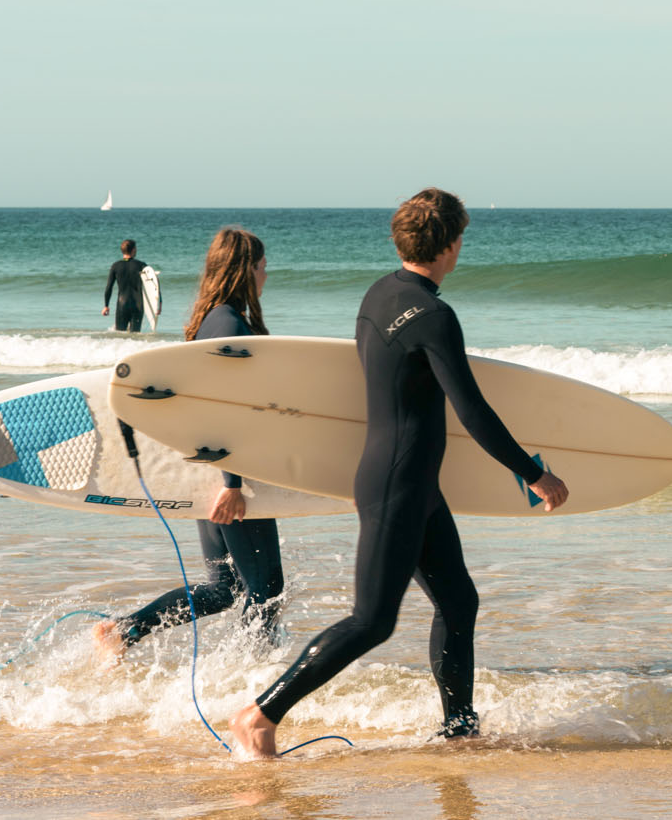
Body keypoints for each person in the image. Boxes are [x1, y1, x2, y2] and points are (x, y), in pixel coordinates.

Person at [227, 189, 568, 759]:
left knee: (459, 602)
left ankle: (460, 728)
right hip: (399, 485)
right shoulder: (435, 315)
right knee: (372, 621)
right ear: (452, 245)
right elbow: (472, 409)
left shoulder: (381, 293)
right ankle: (261, 714)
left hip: (408, 481)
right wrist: (531, 472)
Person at [93, 228, 284, 661]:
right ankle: (261, 682)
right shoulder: (230, 323)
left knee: (224, 590)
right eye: (262, 265)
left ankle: (123, 631)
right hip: (230, 473)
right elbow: (219, 410)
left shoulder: (211, 320)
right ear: (246, 269)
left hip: (210, 468)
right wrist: (233, 483)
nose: (266, 273)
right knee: (266, 590)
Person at [103, 239, 148, 332]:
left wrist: (106, 305)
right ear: (134, 250)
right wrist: (158, 304)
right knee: (135, 335)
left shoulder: (115, 266)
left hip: (122, 304)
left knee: (120, 334)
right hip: (137, 305)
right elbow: (153, 284)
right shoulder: (141, 265)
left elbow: (109, 287)